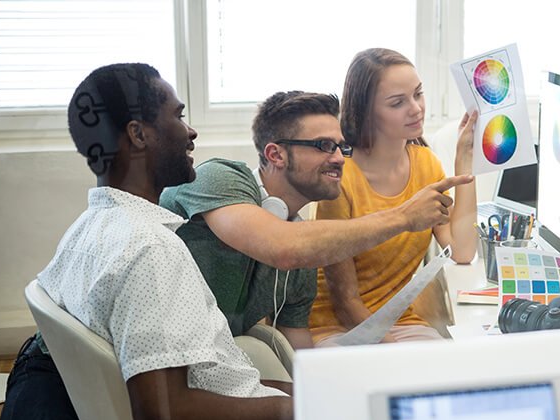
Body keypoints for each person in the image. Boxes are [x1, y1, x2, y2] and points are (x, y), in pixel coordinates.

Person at [0, 63, 294, 420]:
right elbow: (165, 416)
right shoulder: (149, 250)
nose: (191, 132)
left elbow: (219, 380)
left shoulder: (93, 225)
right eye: (178, 115)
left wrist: (302, 391)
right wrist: (306, 407)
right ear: (138, 134)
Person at [160, 91, 473, 348]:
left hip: (225, 364)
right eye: (324, 145)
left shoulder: (304, 252)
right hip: (164, 371)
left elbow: (300, 354)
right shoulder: (218, 177)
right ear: (275, 155)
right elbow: (282, 247)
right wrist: (403, 216)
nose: (339, 158)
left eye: (341, 146)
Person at [309, 48, 478, 346]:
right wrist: (392, 352)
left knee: (456, 372)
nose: (416, 108)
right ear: (365, 112)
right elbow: (346, 303)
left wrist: (464, 159)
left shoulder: (427, 164)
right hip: (338, 327)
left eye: (418, 94)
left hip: (399, 319)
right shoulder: (340, 180)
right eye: (398, 102)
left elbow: (462, 251)